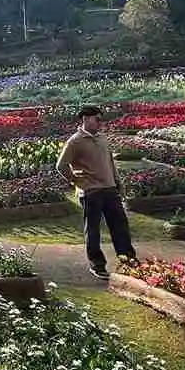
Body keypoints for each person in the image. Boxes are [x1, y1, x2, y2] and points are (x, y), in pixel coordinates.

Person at [55, 105, 138, 280]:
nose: (100, 123)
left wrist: (119, 184)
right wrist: (74, 179)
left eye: (101, 119)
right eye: (97, 119)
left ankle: (128, 258)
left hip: (110, 189)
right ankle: (97, 265)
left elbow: (110, 163)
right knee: (93, 231)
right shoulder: (75, 141)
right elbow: (61, 165)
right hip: (90, 192)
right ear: (85, 119)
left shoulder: (102, 138)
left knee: (120, 226)